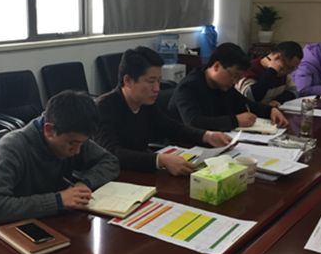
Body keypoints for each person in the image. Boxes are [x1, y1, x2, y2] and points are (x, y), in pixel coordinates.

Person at [0, 90, 119, 227]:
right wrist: (58, 201)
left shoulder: (73, 134)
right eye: (72, 144)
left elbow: (110, 162)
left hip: (52, 222)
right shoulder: (12, 147)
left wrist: (84, 184)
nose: (77, 151)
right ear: (49, 130)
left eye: (82, 143)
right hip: (7, 232)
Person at [94, 46, 232, 176]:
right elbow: (112, 152)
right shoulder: (103, 108)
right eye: (151, 81)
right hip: (114, 178)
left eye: (158, 81)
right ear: (128, 81)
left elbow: (171, 128)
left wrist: (206, 136)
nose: (157, 88)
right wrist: (159, 160)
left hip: (140, 172)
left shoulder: (145, 103)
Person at [168, 43, 289, 131]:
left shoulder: (223, 85)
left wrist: (270, 111)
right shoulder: (188, 87)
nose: (235, 82)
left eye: (238, 77)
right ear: (216, 66)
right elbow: (193, 122)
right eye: (234, 76)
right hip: (184, 146)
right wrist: (235, 121)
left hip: (215, 140)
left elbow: (245, 104)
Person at [235, 41, 303, 107]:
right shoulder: (250, 69)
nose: (289, 72)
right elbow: (249, 97)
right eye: (290, 68)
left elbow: (294, 91)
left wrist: (278, 100)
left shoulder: (283, 72)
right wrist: (272, 71)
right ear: (277, 57)